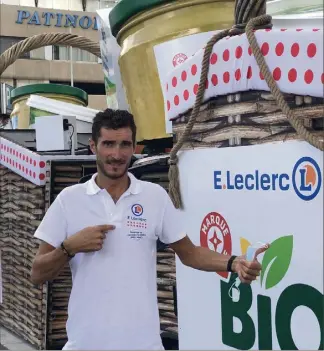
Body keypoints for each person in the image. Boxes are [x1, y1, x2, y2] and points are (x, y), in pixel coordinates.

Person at [31, 108, 265, 351]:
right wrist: (70, 247)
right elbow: (37, 273)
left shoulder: (154, 197)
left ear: (134, 148)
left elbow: (190, 253)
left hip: (144, 344)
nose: (116, 154)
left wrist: (234, 262)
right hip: (86, 344)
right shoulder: (69, 200)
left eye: (124, 145)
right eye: (108, 144)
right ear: (93, 146)